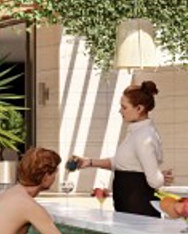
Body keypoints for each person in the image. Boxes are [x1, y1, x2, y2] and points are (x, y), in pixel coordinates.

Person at [72, 81, 172, 217]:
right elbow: (121, 163)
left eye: (124, 107)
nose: (120, 111)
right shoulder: (136, 133)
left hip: (138, 209)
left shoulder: (143, 136)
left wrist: (160, 177)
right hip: (129, 206)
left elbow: (155, 181)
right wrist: (89, 162)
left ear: (139, 108)